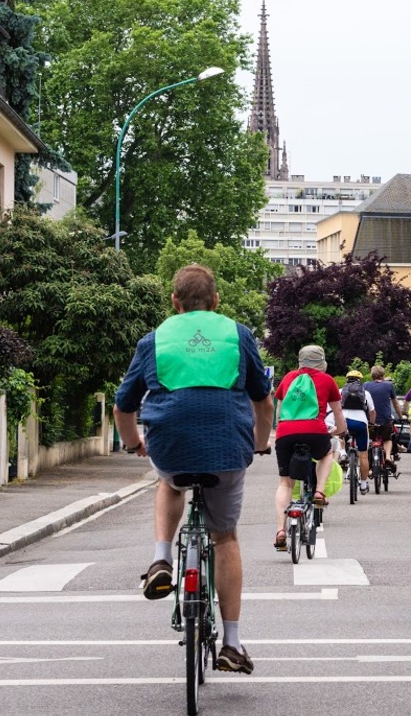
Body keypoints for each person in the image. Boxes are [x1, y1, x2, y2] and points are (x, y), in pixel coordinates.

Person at [114, 264, 274, 675]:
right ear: (216, 300)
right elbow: (263, 402)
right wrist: (260, 443)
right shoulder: (239, 335)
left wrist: (134, 443)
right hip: (228, 447)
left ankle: (161, 558)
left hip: (171, 444)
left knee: (169, 483)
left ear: (175, 302)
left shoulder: (153, 340)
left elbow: (122, 406)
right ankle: (232, 644)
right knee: (225, 537)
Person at [273, 345, 347, 551]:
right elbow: (337, 411)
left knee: (285, 483)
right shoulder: (327, 380)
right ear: (321, 362)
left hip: (286, 432)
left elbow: (280, 409)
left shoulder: (288, 378)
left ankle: (280, 530)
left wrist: (281, 430)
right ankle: (320, 492)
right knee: (326, 454)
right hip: (315, 430)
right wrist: (340, 430)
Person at [340, 369, 376, 495]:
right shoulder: (365, 393)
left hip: (344, 422)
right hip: (360, 423)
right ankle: (363, 485)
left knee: (339, 437)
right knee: (364, 455)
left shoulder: (340, 391)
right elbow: (372, 411)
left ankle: (342, 453)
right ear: (360, 381)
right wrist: (371, 423)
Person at [364, 365, 405, 470]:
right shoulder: (389, 386)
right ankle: (387, 457)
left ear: (372, 375)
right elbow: (395, 404)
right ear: (383, 375)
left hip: (370, 420)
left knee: (369, 439)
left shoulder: (365, 385)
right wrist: (401, 416)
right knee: (387, 438)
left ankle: (368, 463)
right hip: (385, 419)